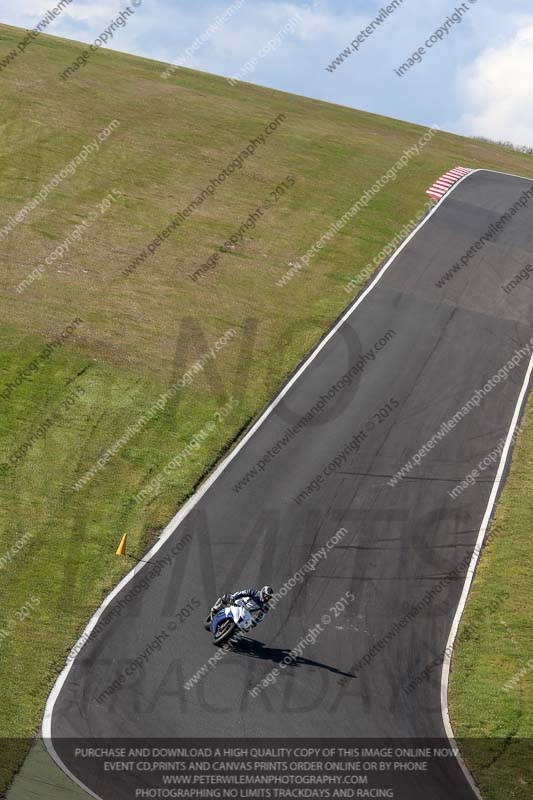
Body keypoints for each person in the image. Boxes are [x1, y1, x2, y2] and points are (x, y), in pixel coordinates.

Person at [208, 586, 274, 629]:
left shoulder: (266, 605)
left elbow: (261, 616)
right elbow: (242, 593)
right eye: (266, 595)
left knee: (245, 627)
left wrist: (255, 622)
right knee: (226, 597)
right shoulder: (255, 592)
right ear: (263, 592)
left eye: (268, 597)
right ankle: (216, 608)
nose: (266, 598)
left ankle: (232, 635)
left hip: (246, 612)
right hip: (239, 603)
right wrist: (233, 597)